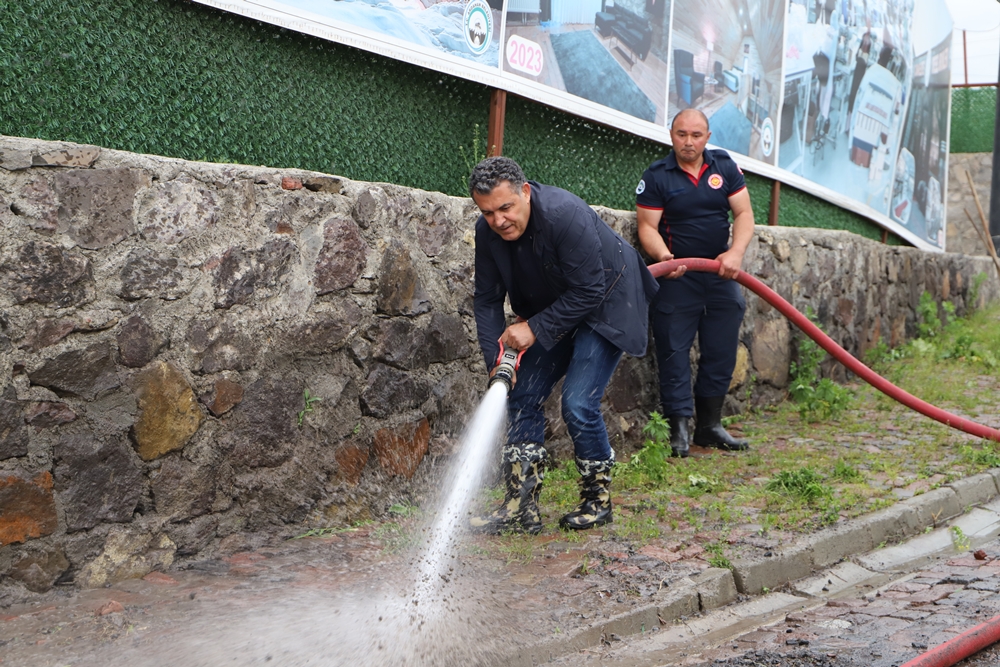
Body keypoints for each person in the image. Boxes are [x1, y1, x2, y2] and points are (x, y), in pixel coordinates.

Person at [468, 156, 658, 534]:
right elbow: (487, 299)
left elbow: (590, 289)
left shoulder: (563, 214)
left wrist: (534, 328)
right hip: (555, 306)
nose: (498, 220)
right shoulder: (487, 232)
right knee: (520, 394)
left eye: (506, 208)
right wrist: (497, 362)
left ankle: (597, 502)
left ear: (525, 192)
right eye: (488, 213)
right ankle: (521, 508)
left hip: (606, 301)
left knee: (578, 402)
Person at [635, 109, 755, 458]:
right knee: (673, 351)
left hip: (720, 275)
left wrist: (735, 253)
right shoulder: (657, 175)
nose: (689, 142)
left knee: (720, 351)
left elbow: (744, 214)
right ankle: (680, 428)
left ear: (708, 136)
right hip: (677, 278)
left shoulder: (724, 166)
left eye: (697, 135)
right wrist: (663, 257)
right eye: (682, 134)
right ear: (671, 134)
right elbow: (647, 227)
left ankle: (710, 426)